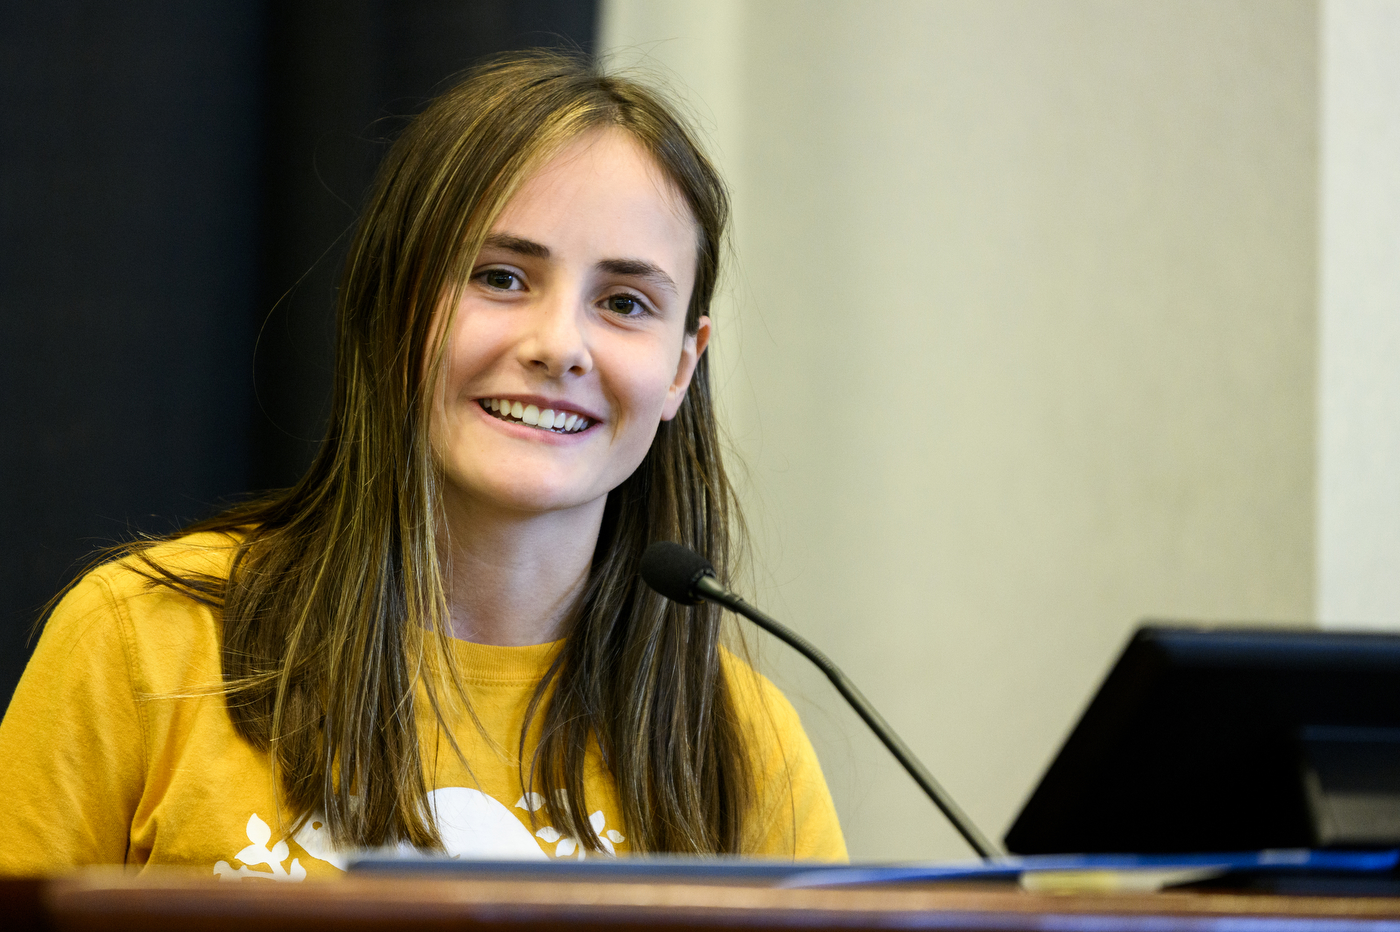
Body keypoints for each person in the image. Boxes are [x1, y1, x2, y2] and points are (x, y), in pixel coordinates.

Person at [0, 51, 846, 878]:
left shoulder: (743, 745)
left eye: (624, 303)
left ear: (680, 370)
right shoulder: (138, 644)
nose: (558, 347)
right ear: (395, 305)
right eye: (502, 277)